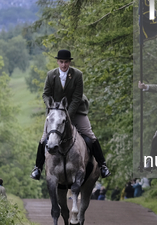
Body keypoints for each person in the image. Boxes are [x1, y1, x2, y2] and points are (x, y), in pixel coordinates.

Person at [30, 49, 111, 180]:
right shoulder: (51, 75)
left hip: (76, 110)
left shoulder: (77, 75)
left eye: (66, 62)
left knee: (90, 134)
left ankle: (102, 165)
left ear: (69, 62)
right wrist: (50, 106)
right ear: (57, 62)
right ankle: (37, 168)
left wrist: (68, 114)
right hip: (55, 112)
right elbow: (45, 94)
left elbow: (77, 97)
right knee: (44, 137)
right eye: (61, 62)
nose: (63, 65)